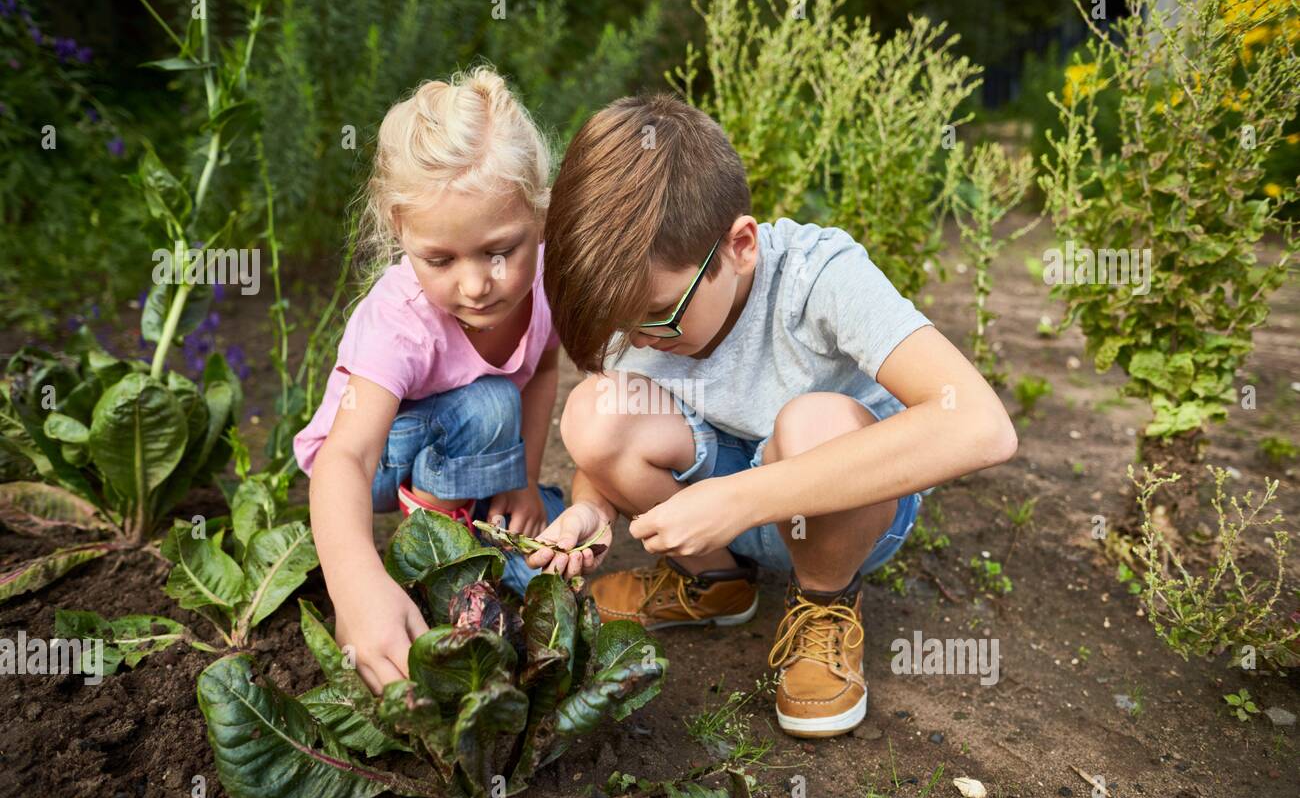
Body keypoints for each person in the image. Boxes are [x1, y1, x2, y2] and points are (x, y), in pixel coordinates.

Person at [524, 93, 1018, 738]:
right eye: (620, 324)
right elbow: (621, 416)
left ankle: (824, 606)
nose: (639, 338)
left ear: (741, 245)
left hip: (846, 511)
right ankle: (715, 586)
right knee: (597, 409)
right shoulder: (635, 300)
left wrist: (743, 497)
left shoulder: (820, 276)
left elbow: (980, 425)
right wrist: (593, 507)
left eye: (659, 316)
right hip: (720, 508)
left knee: (817, 421)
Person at [294, 66, 565, 696]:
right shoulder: (400, 322)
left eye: (501, 252)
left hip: (453, 445)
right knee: (492, 402)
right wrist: (355, 586)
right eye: (440, 260)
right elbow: (346, 457)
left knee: (543, 521)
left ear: (543, 218)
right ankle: (435, 549)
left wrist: (522, 479)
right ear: (400, 231)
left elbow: (546, 365)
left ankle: (481, 522)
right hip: (380, 462)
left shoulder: (548, 280)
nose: (474, 285)